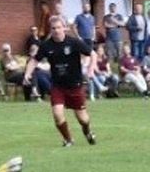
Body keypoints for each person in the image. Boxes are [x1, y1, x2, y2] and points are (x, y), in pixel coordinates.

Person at [24, 16, 98, 147]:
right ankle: (68, 140)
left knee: (83, 119)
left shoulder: (74, 42)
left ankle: (87, 132)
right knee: (57, 114)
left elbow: (93, 54)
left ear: (64, 28)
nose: (56, 30)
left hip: (75, 85)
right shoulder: (46, 45)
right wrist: (27, 74)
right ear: (50, 30)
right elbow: (34, 60)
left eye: (58, 27)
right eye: (53, 28)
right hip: (58, 86)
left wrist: (91, 69)